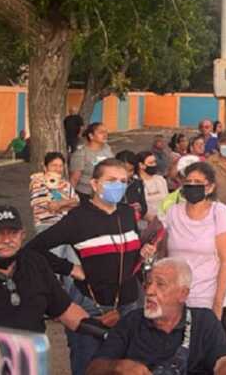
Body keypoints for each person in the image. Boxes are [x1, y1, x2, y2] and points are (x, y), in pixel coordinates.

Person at [26, 159, 153, 375]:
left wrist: (142, 252)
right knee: (88, 366)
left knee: (126, 366)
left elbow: (124, 251)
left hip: (129, 303)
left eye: (123, 181)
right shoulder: (78, 218)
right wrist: (70, 268)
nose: (118, 185)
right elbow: (32, 250)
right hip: (91, 304)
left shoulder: (127, 213)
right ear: (94, 184)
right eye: (111, 180)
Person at [0, 206, 90, 375]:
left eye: (13, 233)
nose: (6, 240)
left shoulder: (36, 264)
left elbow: (66, 310)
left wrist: (107, 332)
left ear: (23, 235)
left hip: (32, 367)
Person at [86, 258, 226, 375]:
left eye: (160, 284)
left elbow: (225, 361)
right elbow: (93, 368)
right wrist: (118, 366)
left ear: (183, 294)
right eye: (148, 283)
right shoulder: (131, 322)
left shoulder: (204, 321)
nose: (149, 291)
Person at [161, 162, 226, 321]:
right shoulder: (173, 212)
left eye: (198, 183)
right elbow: (164, 253)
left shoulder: (219, 212)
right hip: (175, 299)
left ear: (210, 187)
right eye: (188, 182)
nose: (192, 186)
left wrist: (217, 303)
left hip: (206, 299)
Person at [30, 152, 80, 231]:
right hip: (46, 225)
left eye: (60, 166)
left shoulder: (65, 184)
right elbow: (51, 207)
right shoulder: (38, 183)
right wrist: (69, 202)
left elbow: (77, 203)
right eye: (54, 165)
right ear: (45, 167)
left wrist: (59, 204)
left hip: (67, 224)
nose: (58, 169)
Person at [69, 122, 114, 201]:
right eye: (101, 132)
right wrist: (70, 197)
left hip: (105, 192)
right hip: (86, 194)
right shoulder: (81, 154)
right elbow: (74, 178)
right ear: (91, 136)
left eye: (106, 132)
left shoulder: (107, 148)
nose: (105, 135)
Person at [115, 150, 148, 223]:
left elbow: (144, 207)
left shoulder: (137, 183)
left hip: (132, 224)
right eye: (123, 170)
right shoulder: (110, 185)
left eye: (130, 170)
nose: (126, 174)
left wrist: (140, 208)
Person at [137, 151, 169, 221]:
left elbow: (167, 200)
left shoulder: (160, 179)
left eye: (155, 162)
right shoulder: (136, 184)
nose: (154, 165)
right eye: (151, 163)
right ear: (141, 165)